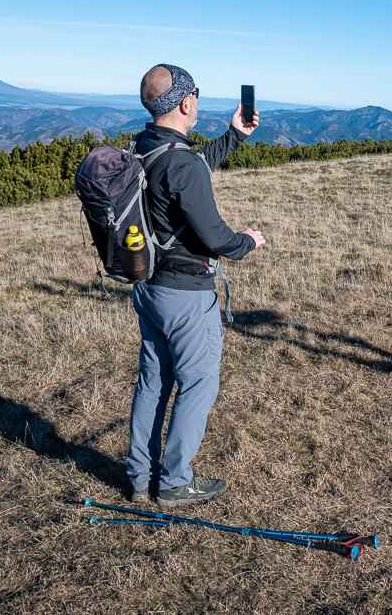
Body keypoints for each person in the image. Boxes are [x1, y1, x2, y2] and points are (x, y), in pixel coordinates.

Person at [126, 63, 266, 508]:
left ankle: (139, 476)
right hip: (185, 294)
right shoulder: (180, 162)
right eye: (197, 94)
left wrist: (234, 137)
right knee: (199, 383)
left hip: (148, 285)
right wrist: (247, 242)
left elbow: (188, 168)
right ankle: (173, 482)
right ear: (186, 102)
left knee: (154, 381)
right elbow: (215, 237)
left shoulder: (144, 147)